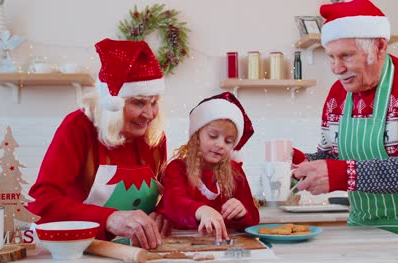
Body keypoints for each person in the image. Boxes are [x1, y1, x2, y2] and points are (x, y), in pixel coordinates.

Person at [292, 0, 398, 246]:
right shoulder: (337, 96)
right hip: (363, 233)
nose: (336, 68)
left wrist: (344, 175)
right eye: (331, 57)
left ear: (379, 47)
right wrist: (297, 163)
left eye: (346, 56)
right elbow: (332, 157)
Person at [27, 39, 171, 249]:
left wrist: (163, 211)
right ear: (112, 102)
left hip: (135, 250)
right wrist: (109, 218)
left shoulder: (154, 136)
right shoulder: (78, 127)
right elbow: (42, 202)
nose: (149, 114)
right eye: (138, 102)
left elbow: (169, 190)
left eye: (154, 102)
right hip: (80, 248)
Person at [161, 92, 259, 243]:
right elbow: (173, 203)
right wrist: (201, 210)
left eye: (228, 141)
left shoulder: (235, 172)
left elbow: (253, 218)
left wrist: (242, 212)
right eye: (213, 136)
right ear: (196, 136)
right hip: (183, 244)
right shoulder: (177, 168)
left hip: (223, 245)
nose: (220, 145)